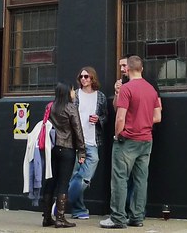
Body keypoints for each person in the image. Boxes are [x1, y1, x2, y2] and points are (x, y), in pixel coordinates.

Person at [100, 55, 161, 230]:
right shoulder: (151, 89)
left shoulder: (127, 89)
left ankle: (117, 218)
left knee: (120, 178)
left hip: (127, 140)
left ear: (128, 69)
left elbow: (120, 117)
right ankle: (137, 217)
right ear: (141, 69)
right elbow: (157, 116)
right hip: (146, 139)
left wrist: (118, 135)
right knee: (141, 180)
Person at [40, 82, 86, 228]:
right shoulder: (71, 108)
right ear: (67, 92)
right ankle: (60, 218)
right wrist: (82, 151)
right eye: (72, 90)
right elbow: (78, 130)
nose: (74, 93)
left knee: (50, 181)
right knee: (63, 183)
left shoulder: (50, 106)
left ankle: (47, 217)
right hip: (67, 148)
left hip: (52, 148)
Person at [68, 66, 108, 220]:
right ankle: (78, 210)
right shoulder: (75, 95)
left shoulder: (100, 96)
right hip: (76, 140)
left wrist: (99, 119)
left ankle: (62, 200)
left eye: (86, 76)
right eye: (81, 77)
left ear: (93, 78)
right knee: (74, 174)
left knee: (82, 175)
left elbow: (105, 116)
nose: (83, 79)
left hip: (92, 140)